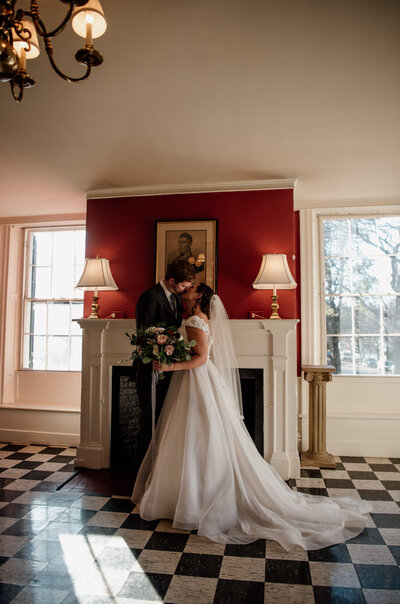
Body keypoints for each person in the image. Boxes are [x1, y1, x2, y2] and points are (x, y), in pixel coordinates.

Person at [132, 283, 372, 550]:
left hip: (197, 379)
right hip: (196, 381)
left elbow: (200, 358)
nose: (185, 289)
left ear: (198, 295)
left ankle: (195, 499)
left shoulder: (194, 320)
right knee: (196, 435)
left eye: (191, 288)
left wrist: (170, 364)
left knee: (197, 434)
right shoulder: (196, 318)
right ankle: (189, 495)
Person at [133, 259, 195, 473]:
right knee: (149, 419)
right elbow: (145, 334)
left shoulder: (176, 300)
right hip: (150, 368)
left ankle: (160, 470)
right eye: (184, 285)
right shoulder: (149, 297)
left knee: (164, 420)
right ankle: (142, 471)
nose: (187, 289)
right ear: (171, 281)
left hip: (168, 368)